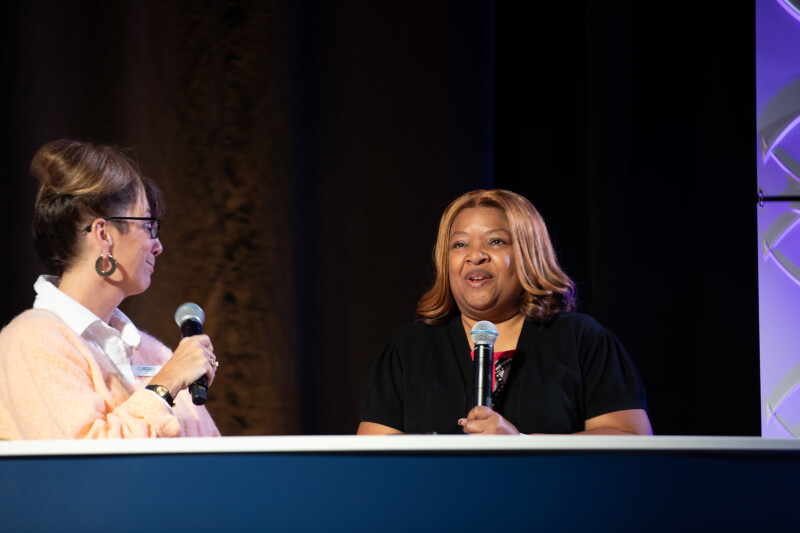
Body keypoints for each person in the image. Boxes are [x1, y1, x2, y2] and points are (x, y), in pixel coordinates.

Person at [358, 189, 652, 435]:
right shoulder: (409, 349)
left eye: (495, 241)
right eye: (460, 244)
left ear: (528, 253)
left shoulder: (582, 340)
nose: (476, 255)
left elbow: (629, 439)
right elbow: (371, 462)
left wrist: (522, 443)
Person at [0, 139, 220, 439]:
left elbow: (212, 456)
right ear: (104, 235)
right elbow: (84, 463)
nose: (158, 246)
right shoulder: (33, 339)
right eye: (147, 225)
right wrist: (166, 383)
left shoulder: (154, 353)